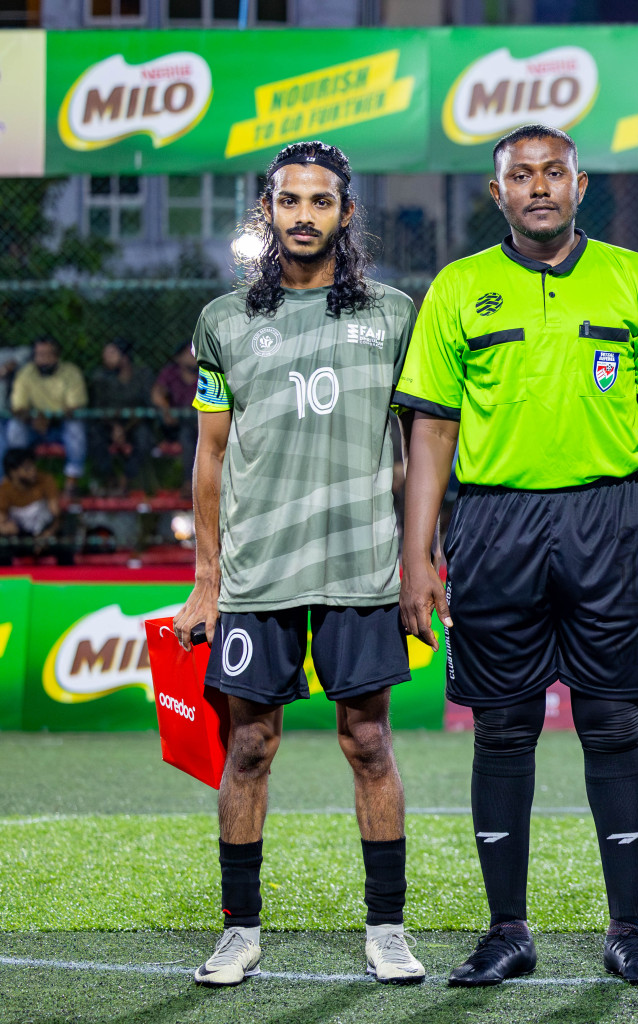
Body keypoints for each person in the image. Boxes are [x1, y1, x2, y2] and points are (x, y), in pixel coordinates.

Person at [395, 124, 638, 988]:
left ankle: (628, 930)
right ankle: (506, 930)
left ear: (579, 183)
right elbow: (434, 429)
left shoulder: (634, 280)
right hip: (493, 525)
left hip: (612, 520)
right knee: (503, 727)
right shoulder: (459, 288)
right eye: (519, 176)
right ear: (498, 194)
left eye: (552, 172)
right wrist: (419, 558)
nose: (537, 187)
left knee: (612, 723)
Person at [170, 141, 425, 988]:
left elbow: (424, 447)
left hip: (360, 565)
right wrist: (207, 576)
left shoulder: (394, 316)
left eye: (321, 202)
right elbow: (209, 456)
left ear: (346, 214)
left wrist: (420, 555)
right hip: (257, 571)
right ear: (268, 212)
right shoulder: (223, 319)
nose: (304, 216)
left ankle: (387, 927)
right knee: (248, 746)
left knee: (368, 741)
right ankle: (238, 930)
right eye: (289, 201)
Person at [7, 337, 87, 489]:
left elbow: (75, 407)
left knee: (76, 427)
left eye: (46, 354)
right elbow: (18, 407)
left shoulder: (71, 372)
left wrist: (49, 419)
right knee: (14, 428)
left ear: (56, 356)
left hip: (61, 425)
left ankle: (72, 482)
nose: (42, 359)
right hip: (34, 425)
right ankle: (21, 478)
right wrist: (32, 420)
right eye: (38, 354)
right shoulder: (26, 373)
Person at [89, 339, 156, 493]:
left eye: (111, 353)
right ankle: (110, 479)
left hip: (136, 423)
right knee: (94, 435)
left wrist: (125, 428)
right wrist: (115, 427)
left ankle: (126, 479)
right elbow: (98, 408)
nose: (106, 358)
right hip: (109, 424)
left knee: (145, 438)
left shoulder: (142, 375)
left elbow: (147, 406)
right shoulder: (100, 377)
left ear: (124, 357)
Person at [0, 448, 65, 564]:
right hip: (22, 538)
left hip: (47, 533)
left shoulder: (46, 480)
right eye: (27, 468)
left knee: (64, 546)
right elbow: (1, 521)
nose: (33, 471)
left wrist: (48, 534)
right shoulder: (5, 490)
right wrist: (6, 528)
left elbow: (57, 516)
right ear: (13, 472)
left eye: (33, 466)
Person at [152, 342, 201, 490]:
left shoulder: (208, 373)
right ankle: (188, 483)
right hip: (173, 425)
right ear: (178, 357)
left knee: (190, 435)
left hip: (199, 425)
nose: (193, 356)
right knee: (185, 433)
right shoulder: (170, 373)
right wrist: (165, 409)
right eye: (188, 353)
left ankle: (195, 483)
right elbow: (156, 393)